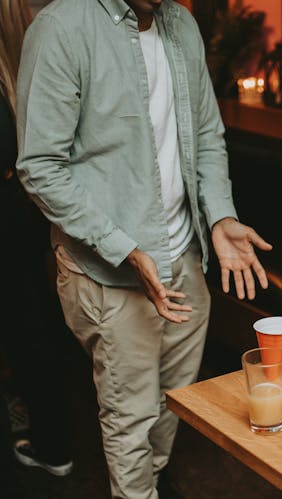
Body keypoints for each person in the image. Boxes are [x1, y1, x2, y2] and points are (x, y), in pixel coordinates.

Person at [15, 0, 272, 497]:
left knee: (169, 408)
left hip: (185, 262)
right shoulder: (62, 28)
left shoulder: (182, 24)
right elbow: (41, 166)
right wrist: (125, 248)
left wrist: (219, 215)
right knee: (129, 421)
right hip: (110, 274)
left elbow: (207, 135)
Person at [0, 0, 74, 480]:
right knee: (31, 321)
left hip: (13, 209)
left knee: (28, 325)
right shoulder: (23, 60)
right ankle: (51, 439)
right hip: (19, 209)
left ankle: (49, 442)